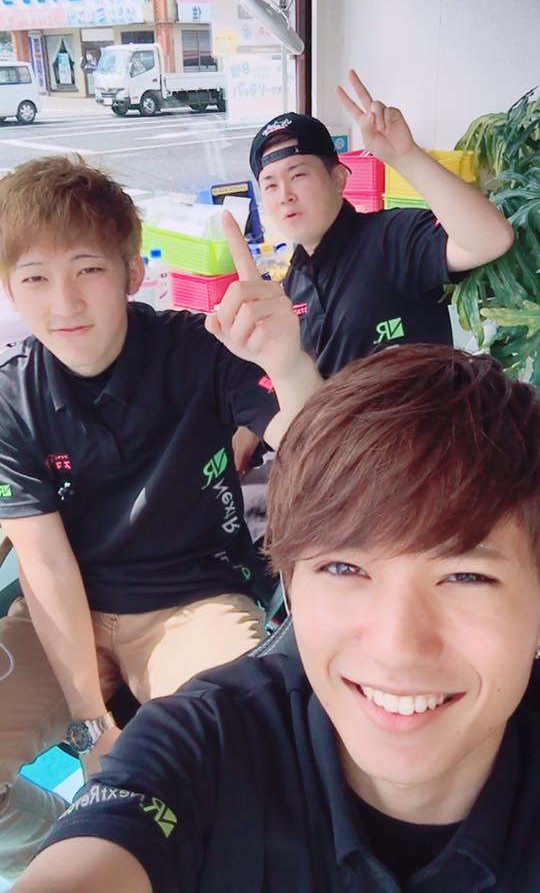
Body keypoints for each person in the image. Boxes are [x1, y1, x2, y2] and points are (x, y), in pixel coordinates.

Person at [13, 344, 540, 893]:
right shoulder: (208, 742)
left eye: (465, 577)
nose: (397, 646)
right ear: (290, 585)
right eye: (344, 568)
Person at [0, 156, 321, 881]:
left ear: (130, 273)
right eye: (34, 278)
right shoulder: (13, 400)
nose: (64, 302)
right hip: (67, 616)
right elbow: (45, 569)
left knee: (241, 771)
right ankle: (61, 847)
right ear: (10, 289)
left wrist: (290, 365)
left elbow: (325, 453)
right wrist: (91, 724)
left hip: (193, 603)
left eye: (87, 269)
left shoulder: (199, 349)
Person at [234, 68, 514, 481]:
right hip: (346, 476)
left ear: (339, 178)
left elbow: (489, 239)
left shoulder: (391, 237)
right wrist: (250, 425)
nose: (285, 195)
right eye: (270, 185)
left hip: (425, 472)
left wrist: (405, 156)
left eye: (298, 175)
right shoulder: (291, 285)